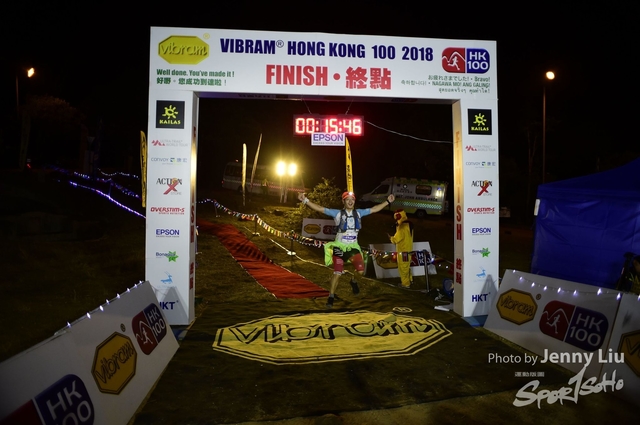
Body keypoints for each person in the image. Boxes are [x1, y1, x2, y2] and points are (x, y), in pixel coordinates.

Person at [298, 190, 395, 308]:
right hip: (339, 246)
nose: (350, 202)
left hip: (353, 246)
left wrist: (387, 201)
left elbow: (374, 209)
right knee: (337, 272)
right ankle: (331, 296)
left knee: (360, 271)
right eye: (347, 200)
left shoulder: (359, 213)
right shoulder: (337, 213)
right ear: (343, 201)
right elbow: (320, 209)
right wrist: (305, 200)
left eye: (352, 199)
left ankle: (353, 281)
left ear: (354, 201)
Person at [388, 209, 414, 288]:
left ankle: (406, 284)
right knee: (407, 266)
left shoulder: (402, 226)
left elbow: (396, 239)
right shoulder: (409, 224)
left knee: (403, 268)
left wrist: (391, 238)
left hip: (403, 251)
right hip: (408, 250)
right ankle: (410, 280)